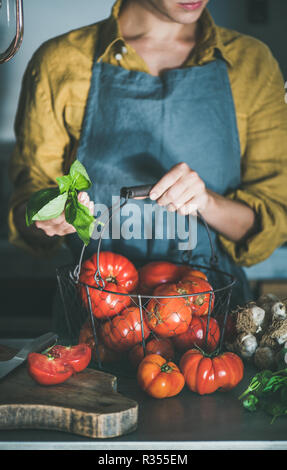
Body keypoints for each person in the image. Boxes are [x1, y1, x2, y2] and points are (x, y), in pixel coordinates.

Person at [8, 0, 287, 318]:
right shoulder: (59, 62)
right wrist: (48, 216)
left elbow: (271, 222)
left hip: (213, 320)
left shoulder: (252, 62)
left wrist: (207, 202)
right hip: (95, 319)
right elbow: (23, 213)